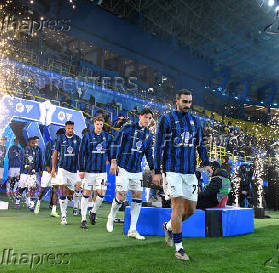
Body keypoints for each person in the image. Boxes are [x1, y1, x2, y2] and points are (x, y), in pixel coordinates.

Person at [152, 89, 212, 261]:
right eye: (184, 101)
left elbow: (200, 144)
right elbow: (158, 146)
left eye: (189, 102)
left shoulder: (195, 120)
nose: (187, 105)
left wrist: (206, 163)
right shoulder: (166, 119)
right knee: (177, 207)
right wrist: (156, 171)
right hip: (172, 170)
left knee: (191, 209)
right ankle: (179, 249)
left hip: (189, 172)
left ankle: (169, 226)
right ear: (176, 101)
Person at [107, 108, 154, 240]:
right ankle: (111, 215)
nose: (147, 120)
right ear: (140, 116)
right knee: (121, 197)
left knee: (138, 197)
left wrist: (153, 169)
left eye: (150, 118)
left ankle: (132, 229)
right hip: (123, 167)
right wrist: (113, 161)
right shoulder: (128, 127)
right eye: (146, 117)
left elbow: (149, 153)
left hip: (137, 170)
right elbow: (115, 143)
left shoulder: (149, 135)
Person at [78, 116, 112, 229]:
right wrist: (81, 169)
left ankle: (93, 211)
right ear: (94, 124)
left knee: (102, 192)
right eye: (97, 124)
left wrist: (111, 162)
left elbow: (110, 152)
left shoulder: (106, 137)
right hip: (89, 171)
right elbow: (81, 153)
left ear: (103, 125)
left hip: (102, 171)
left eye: (101, 124)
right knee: (86, 193)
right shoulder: (87, 136)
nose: (99, 126)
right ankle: (83, 219)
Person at [51, 121, 82, 225]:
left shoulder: (78, 139)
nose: (70, 130)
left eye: (72, 128)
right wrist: (53, 168)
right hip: (62, 169)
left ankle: (74, 203)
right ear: (65, 128)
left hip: (74, 170)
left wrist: (82, 168)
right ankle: (63, 216)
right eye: (68, 128)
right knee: (62, 191)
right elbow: (55, 154)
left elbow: (82, 154)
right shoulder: (60, 139)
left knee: (72, 192)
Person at [16, 136, 43, 211]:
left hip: (32, 173)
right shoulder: (23, 150)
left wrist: (35, 169)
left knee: (30, 188)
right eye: (32, 143)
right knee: (22, 188)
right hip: (24, 173)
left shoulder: (36, 151)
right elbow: (20, 159)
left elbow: (36, 161)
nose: (34, 144)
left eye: (34, 143)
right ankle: (17, 200)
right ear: (28, 143)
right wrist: (25, 165)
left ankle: (30, 205)